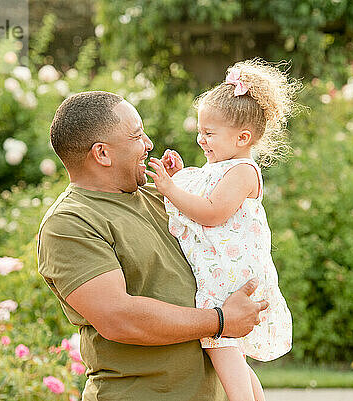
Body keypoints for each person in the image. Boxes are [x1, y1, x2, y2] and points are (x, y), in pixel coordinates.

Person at [37, 90, 269, 401]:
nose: (148, 144)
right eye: (137, 135)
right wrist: (221, 320)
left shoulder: (158, 196)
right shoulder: (70, 223)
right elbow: (121, 318)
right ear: (102, 154)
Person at [145, 59, 299, 401]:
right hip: (222, 270)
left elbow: (213, 213)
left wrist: (170, 189)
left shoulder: (243, 171)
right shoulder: (221, 167)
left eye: (209, 134)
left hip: (228, 275)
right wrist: (182, 174)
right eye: (200, 132)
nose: (201, 140)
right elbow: (202, 195)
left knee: (222, 344)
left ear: (242, 137)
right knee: (233, 357)